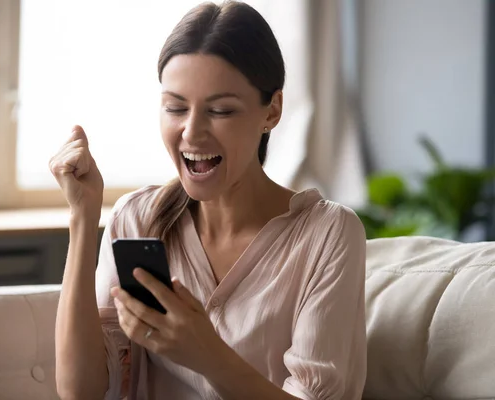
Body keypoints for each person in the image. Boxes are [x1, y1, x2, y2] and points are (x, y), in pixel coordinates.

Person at [51, 1, 367, 399]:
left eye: (220, 110)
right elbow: (81, 391)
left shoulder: (327, 234)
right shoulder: (137, 219)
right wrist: (83, 218)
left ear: (272, 111)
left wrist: (207, 354)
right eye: (175, 107)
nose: (192, 132)